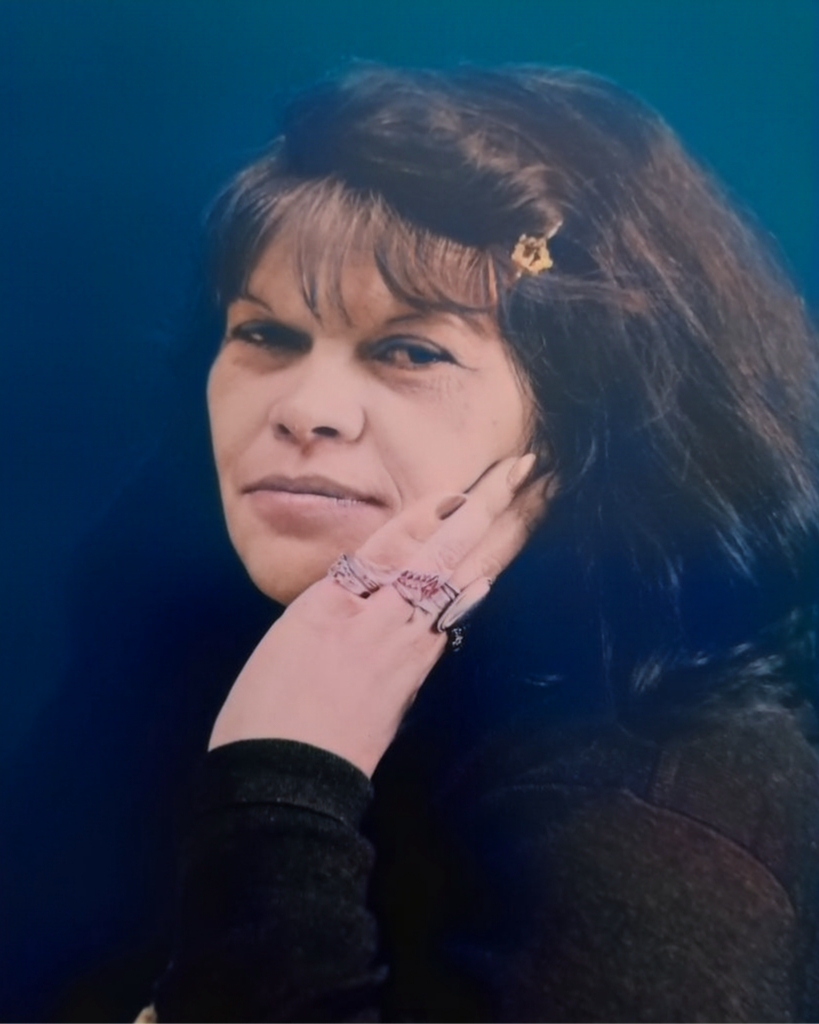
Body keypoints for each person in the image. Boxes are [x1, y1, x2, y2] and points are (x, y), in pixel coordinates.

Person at [144, 64, 819, 1022]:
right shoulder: (263, 672)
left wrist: (279, 789)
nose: (303, 410)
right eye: (266, 335)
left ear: (583, 427)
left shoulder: (661, 826)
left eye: (409, 350)